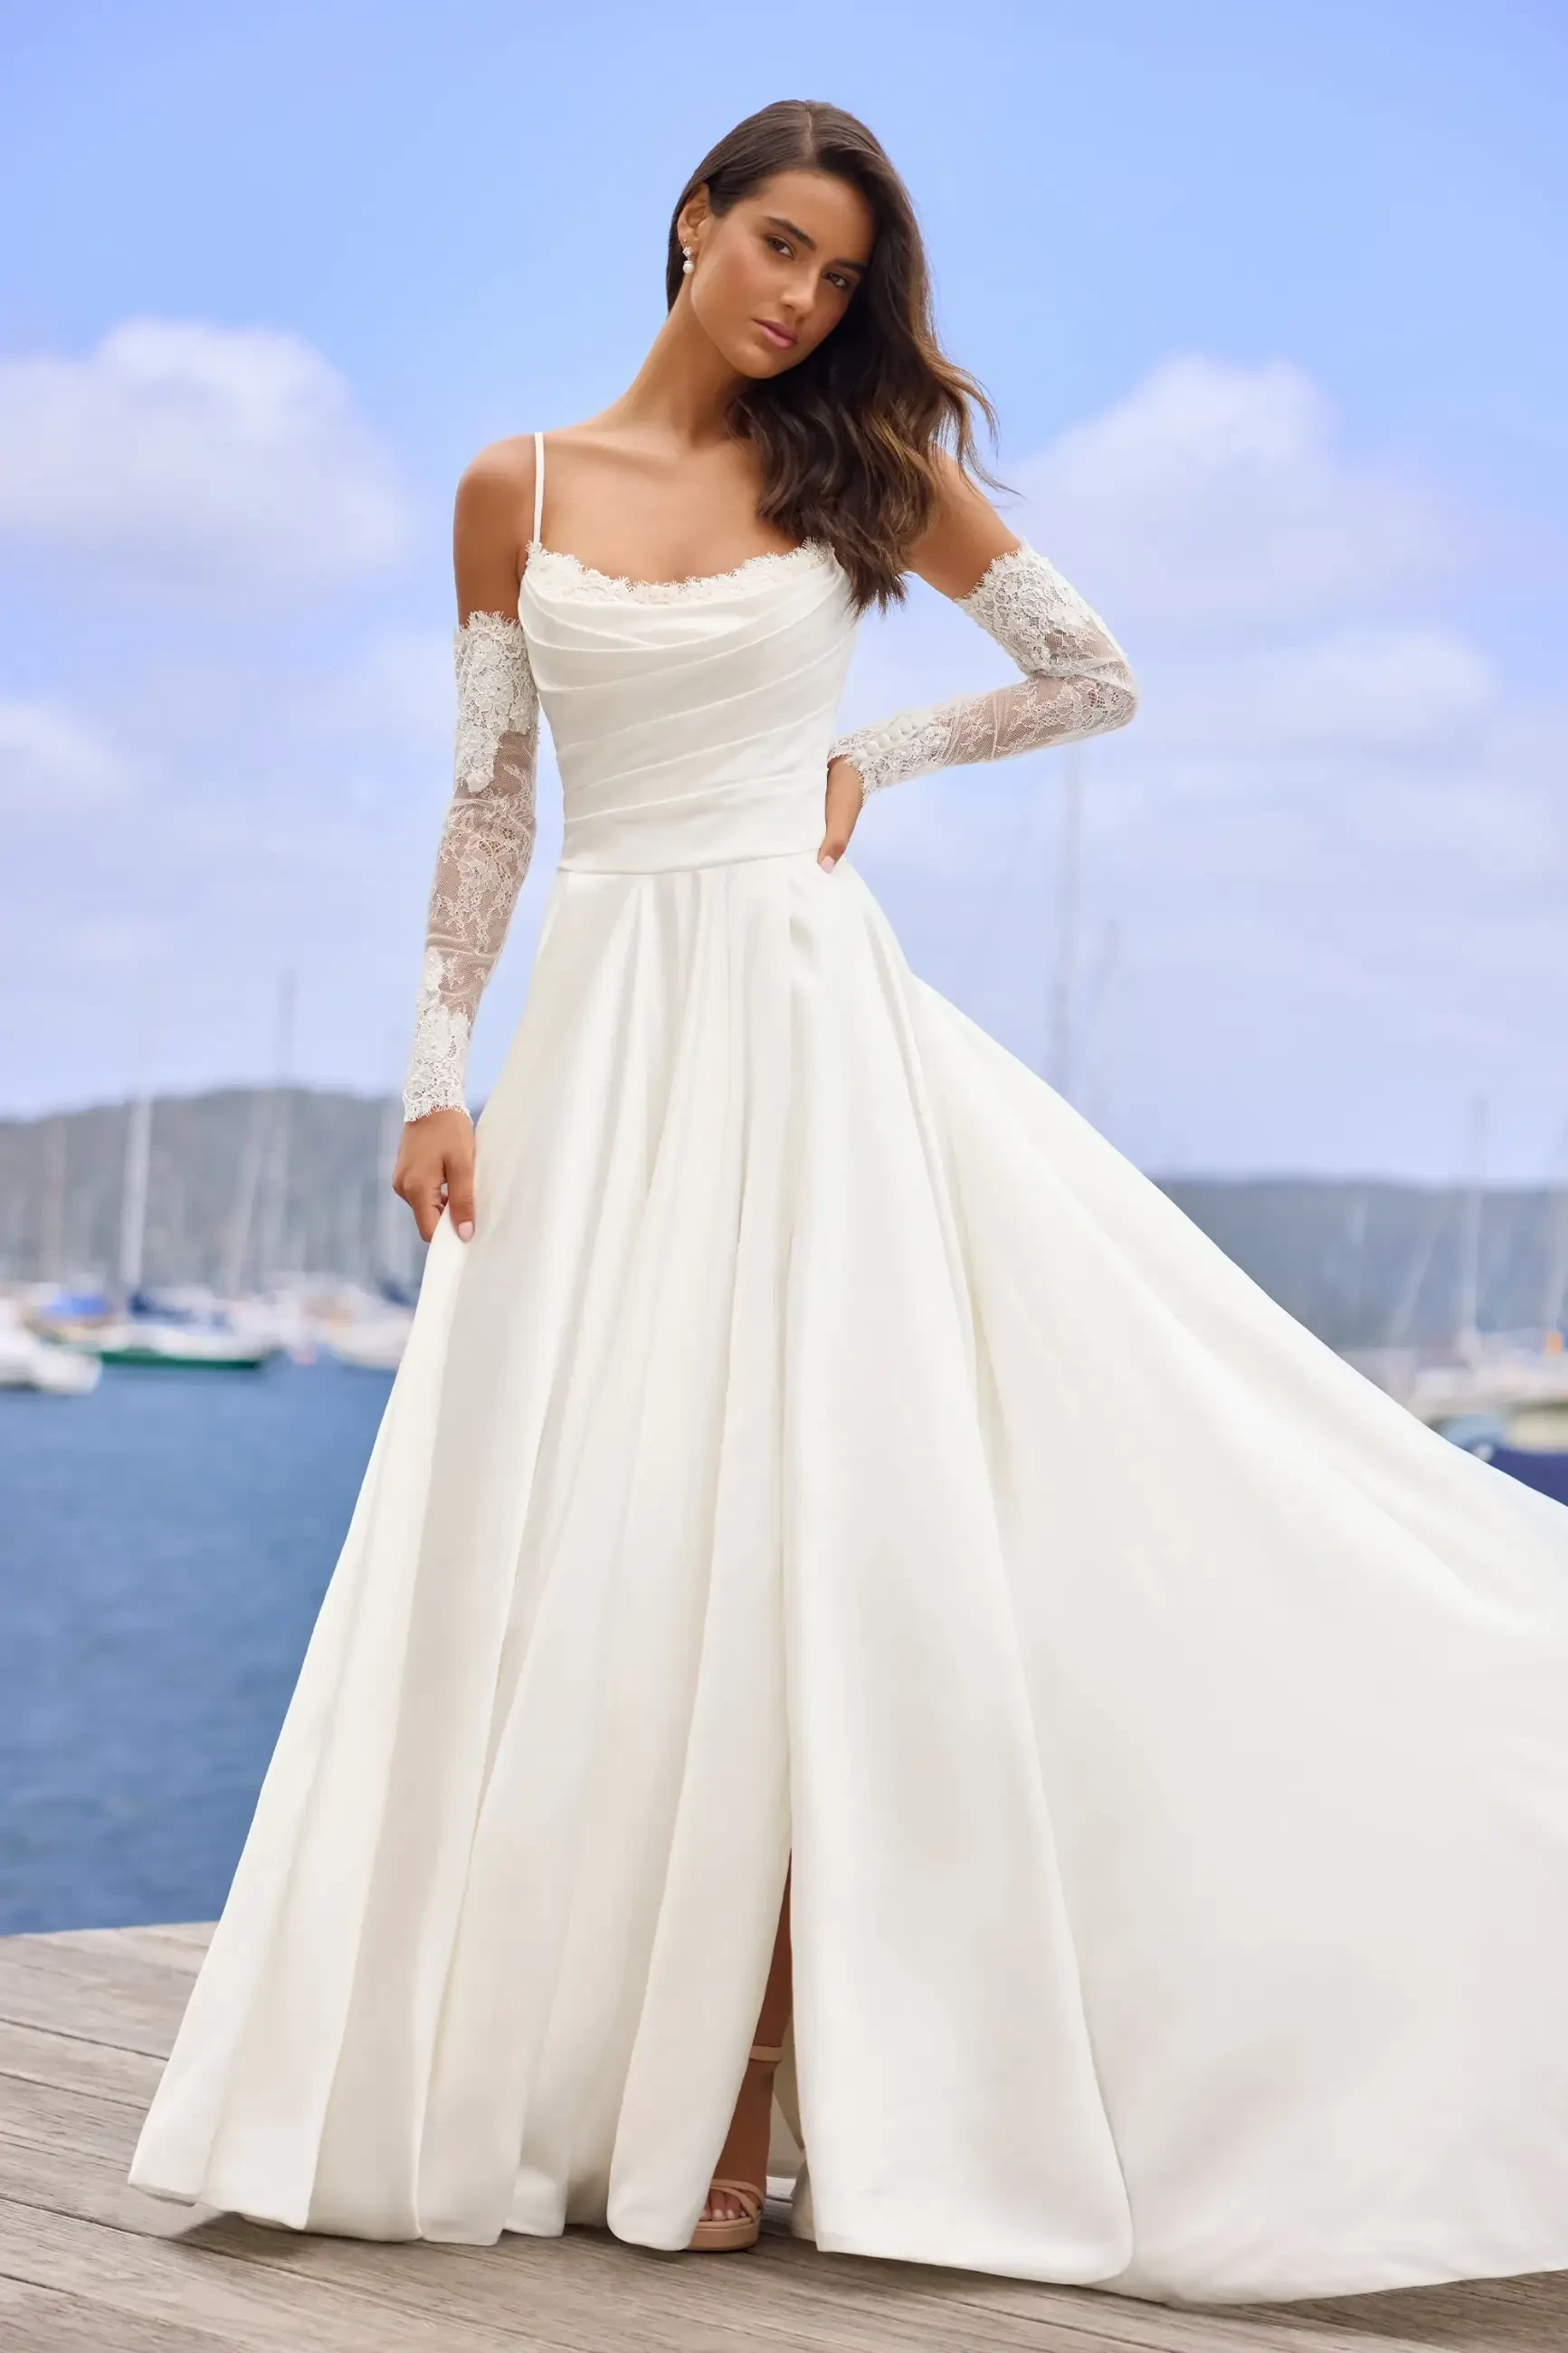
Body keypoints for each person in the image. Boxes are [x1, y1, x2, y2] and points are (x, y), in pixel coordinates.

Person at [128, 100, 1568, 2305]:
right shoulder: (512, 486)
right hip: (602, 1040)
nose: (800, 299)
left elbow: (1095, 672)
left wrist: (863, 762)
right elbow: (491, 795)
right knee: (612, 1552)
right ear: (690, 226)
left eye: (837, 276)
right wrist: (433, 1074)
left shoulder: (863, 468)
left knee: (815, 1546)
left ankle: (758, 2090)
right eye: (774, 249)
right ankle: (639, 2078)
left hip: (805, 1028)